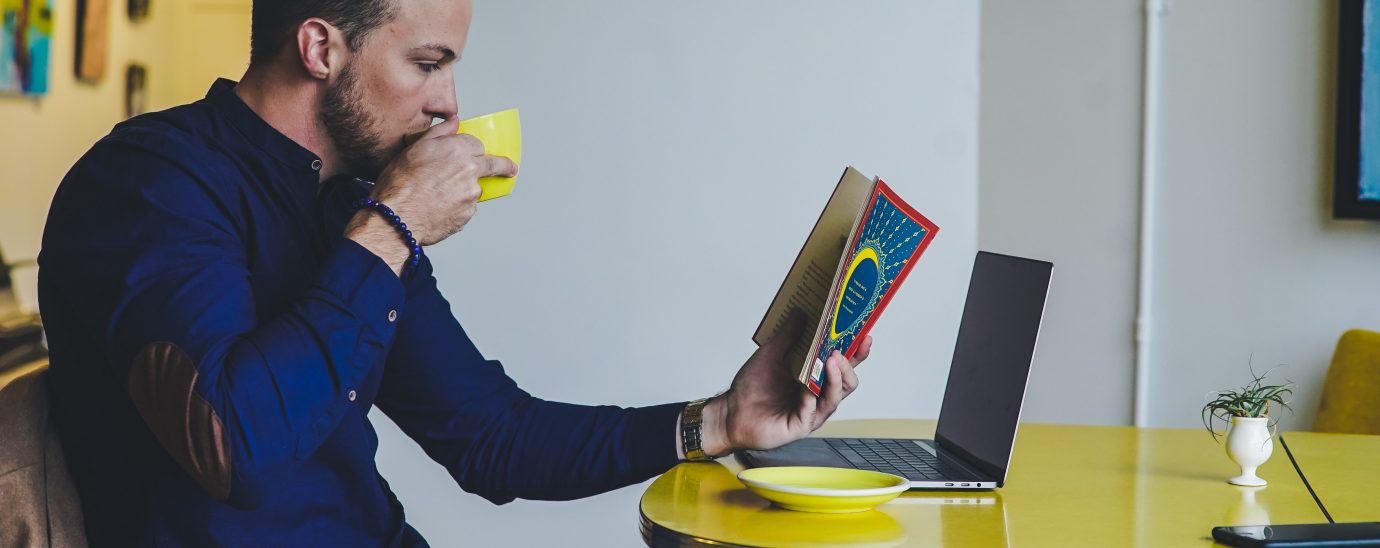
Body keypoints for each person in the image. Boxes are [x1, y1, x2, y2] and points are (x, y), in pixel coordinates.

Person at [37, 0, 869, 545]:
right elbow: (236, 448)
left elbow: (493, 439)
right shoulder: (148, 185)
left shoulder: (346, 208)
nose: (448, 106)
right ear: (321, 46)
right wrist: (393, 226)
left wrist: (720, 421)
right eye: (428, 64)